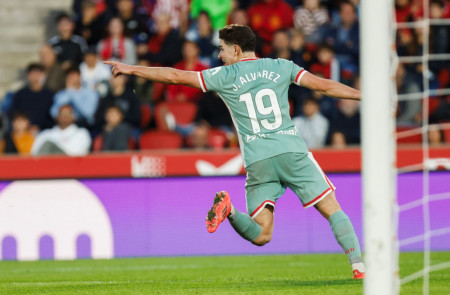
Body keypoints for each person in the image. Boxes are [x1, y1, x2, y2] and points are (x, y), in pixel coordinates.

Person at [104, 24, 365, 279]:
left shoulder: (223, 76)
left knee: (262, 234)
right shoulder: (281, 66)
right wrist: (365, 96)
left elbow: (174, 76)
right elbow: (324, 86)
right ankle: (359, 268)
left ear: (237, 50)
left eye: (222, 50)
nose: (219, 55)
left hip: (258, 161)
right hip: (291, 151)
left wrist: (130, 68)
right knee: (333, 210)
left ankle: (230, 210)